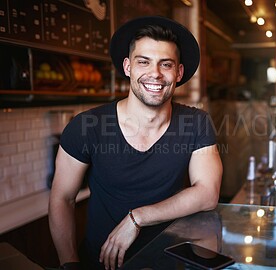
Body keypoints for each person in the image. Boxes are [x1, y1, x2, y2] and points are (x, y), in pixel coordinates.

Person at [49, 16, 222, 270]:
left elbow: (208, 194)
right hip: (102, 263)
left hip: (170, 260)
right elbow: (62, 198)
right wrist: (70, 264)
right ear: (128, 67)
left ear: (179, 72)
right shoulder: (86, 127)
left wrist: (137, 218)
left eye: (166, 64)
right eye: (144, 62)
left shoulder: (196, 123)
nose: (155, 73)